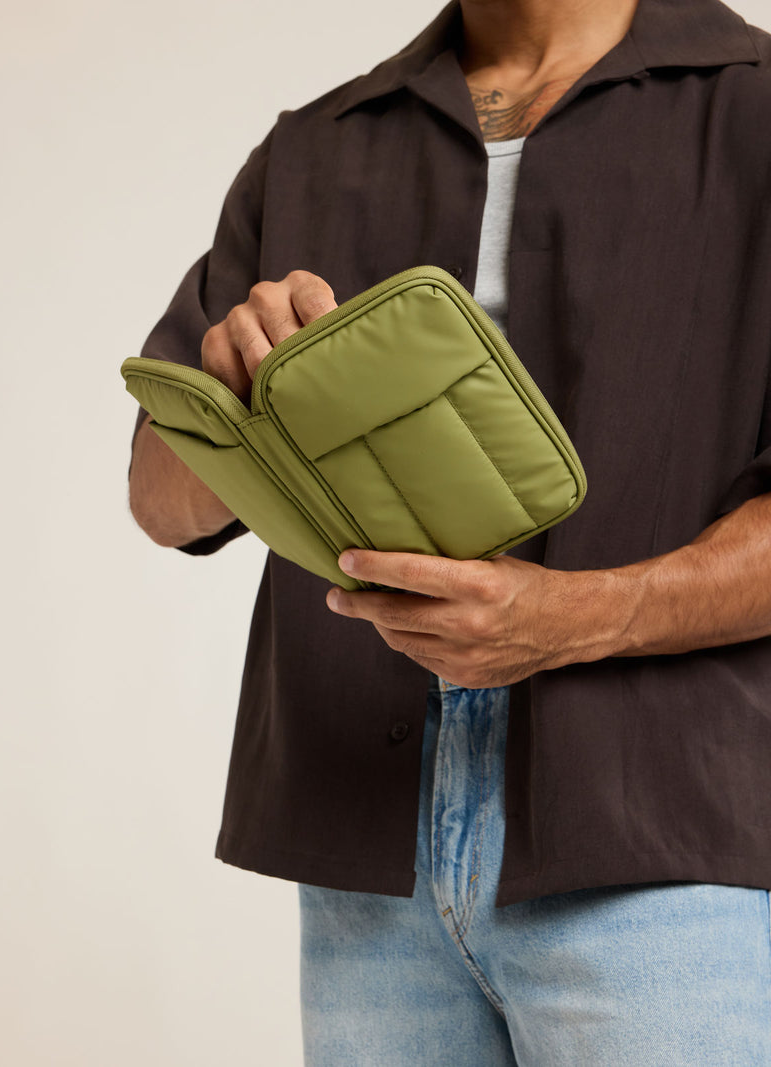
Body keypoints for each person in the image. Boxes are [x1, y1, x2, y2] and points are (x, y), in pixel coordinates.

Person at [127, 0, 771, 1061]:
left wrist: (576, 617)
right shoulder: (313, 145)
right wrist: (230, 385)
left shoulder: (751, 111)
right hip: (370, 877)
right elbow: (160, 499)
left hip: (665, 852)